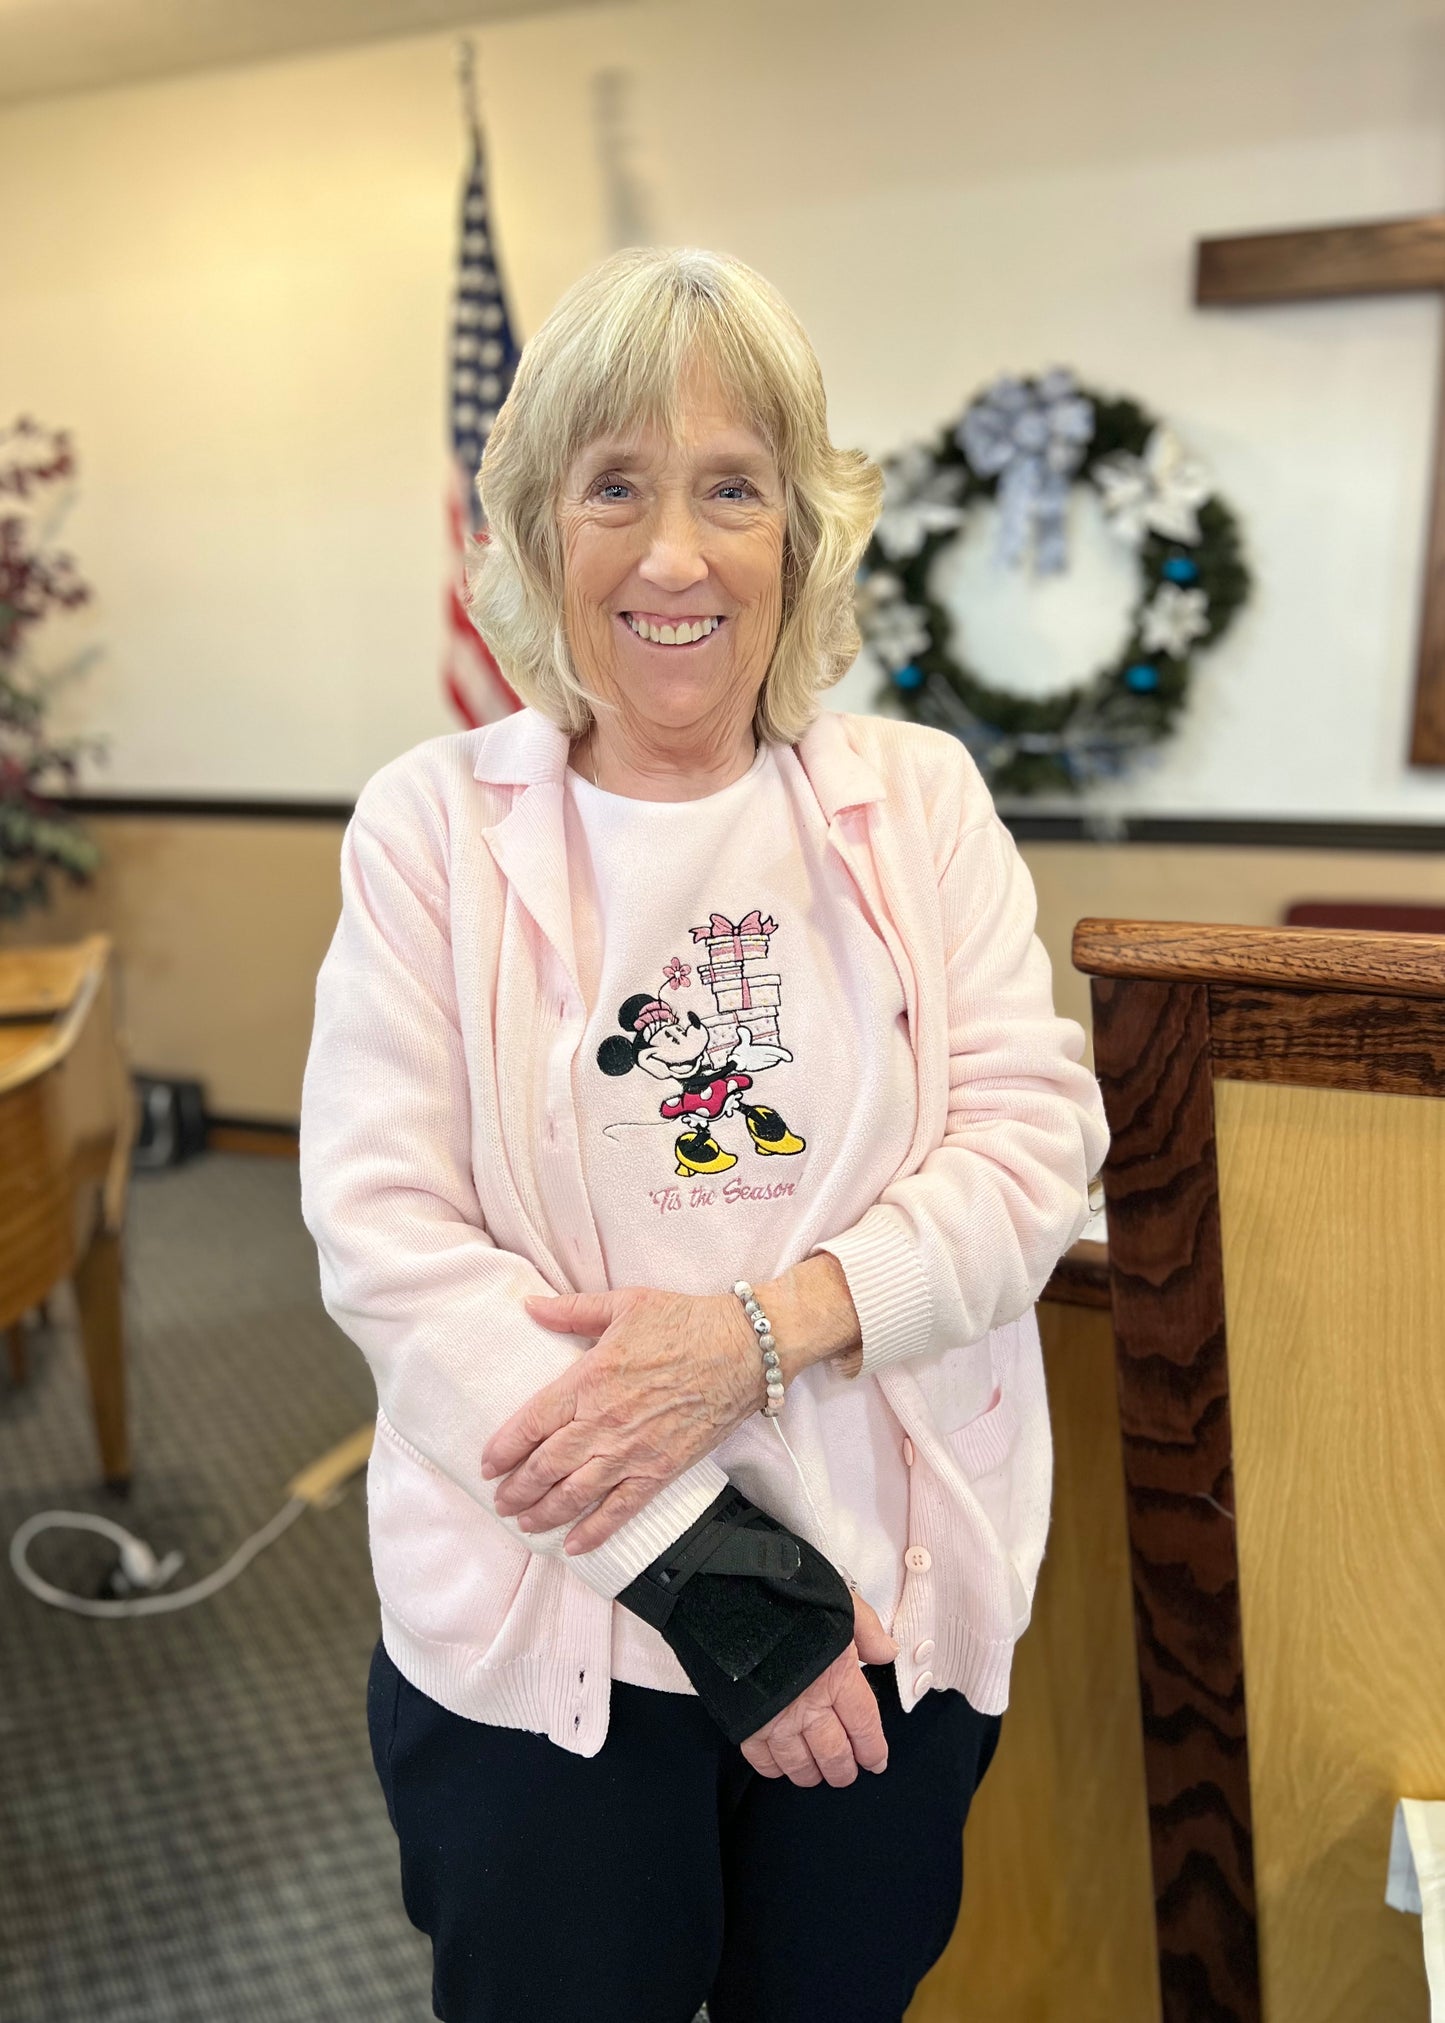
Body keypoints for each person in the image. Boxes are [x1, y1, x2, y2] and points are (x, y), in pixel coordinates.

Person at [300, 246, 1108, 2023]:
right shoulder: (429, 828)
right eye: (615, 488)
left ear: (800, 533)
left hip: (893, 1606)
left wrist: (758, 1333)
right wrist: (730, 1592)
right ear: (535, 531)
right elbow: (392, 1246)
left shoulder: (919, 799)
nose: (673, 555)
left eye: (730, 488)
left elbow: (1030, 1147)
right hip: (556, 1623)